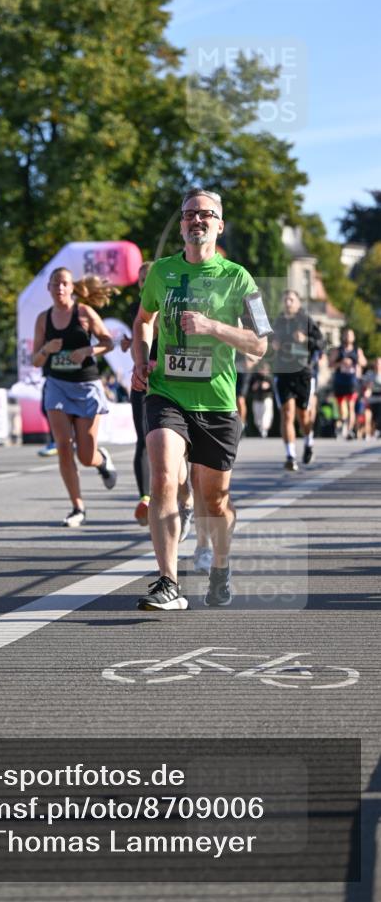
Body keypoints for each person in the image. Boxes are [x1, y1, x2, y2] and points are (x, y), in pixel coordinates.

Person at [132, 188, 270, 610]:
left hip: (216, 403)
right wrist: (141, 358)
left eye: (206, 214)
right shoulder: (161, 272)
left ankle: (221, 566)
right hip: (166, 393)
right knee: (162, 479)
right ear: (181, 224)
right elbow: (144, 320)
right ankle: (167, 581)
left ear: (219, 225)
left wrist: (212, 327)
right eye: (189, 214)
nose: (197, 220)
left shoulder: (238, 278)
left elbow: (261, 344)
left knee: (215, 501)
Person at [32, 268, 117, 526]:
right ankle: (77, 507)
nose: (59, 288)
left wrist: (88, 350)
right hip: (57, 385)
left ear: (72, 288)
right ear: (48, 288)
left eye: (64, 283)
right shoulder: (43, 319)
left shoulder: (84, 313)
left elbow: (109, 342)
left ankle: (101, 460)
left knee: (86, 456)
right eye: (55, 283)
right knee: (63, 446)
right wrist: (47, 349)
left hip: (86, 385)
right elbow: (36, 361)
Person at [122, 261, 195, 537]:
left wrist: (161, 364)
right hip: (144, 384)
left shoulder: (174, 301)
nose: (144, 283)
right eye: (140, 279)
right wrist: (138, 357)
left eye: (147, 278)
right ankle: (148, 497)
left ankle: (185, 496)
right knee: (147, 440)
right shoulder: (138, 309)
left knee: (180, 458)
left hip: (175, 382)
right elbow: (139, 337)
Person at [271, 290, 325, 470]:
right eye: (285, 299)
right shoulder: (277, 322)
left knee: (304, 416)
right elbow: (266, 343)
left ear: (298, 303)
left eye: (291, 299)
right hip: (283, 372)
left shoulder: (305, 320)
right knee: (287, 414)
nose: (288, 302)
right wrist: (273, 345)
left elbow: (321, 343)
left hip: (303, 373)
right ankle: (290, 456)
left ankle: (308, 443)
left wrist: (306, 339)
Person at [330, 328, 367, 439]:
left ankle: (350, 430)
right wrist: (341, 362)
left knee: (351, 406)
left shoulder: (357, 350)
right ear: (343, 337)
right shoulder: (338, 350)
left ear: (353, 337)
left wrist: (355, 361)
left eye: (350, 335)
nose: (348, 337)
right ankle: (342, 423)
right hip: (340, 380)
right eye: (346, 335)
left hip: (352, 381)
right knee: (342, 408)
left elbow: (364, 363)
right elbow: (330, 364)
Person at [248, 362, 275, 438]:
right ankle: (260, 429)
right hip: (257, 399)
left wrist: (268, 386)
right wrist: (254, 387)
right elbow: (249, 388)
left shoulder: (270, 377)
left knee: (266, 414)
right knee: (257, 417)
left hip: (267, 398)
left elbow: (274, 389)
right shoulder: (255, 377)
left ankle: (264, 430)